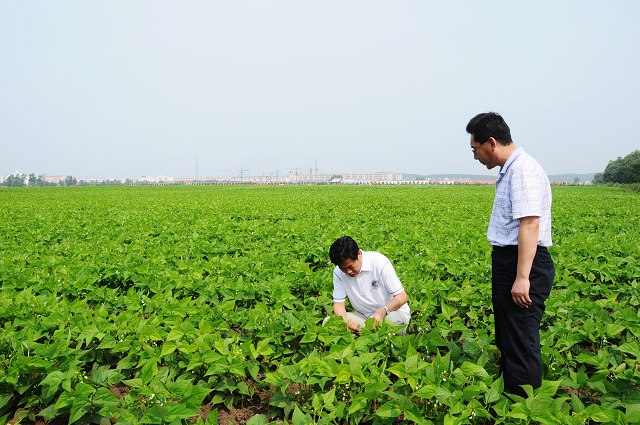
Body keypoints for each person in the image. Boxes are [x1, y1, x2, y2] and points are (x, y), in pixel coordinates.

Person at [466, 112, 555, 397]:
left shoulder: (523, 170)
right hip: (511, 261)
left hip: (523, 263)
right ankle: (509, 399)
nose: (475, 157)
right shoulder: (512, 170)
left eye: (475, 149)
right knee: (509, 336)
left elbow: (530, 224)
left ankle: (523, 407)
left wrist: (521, 277)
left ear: (490, 143)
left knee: (520, 340)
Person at [326, 236, 410, 334]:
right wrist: (346, 322)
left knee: (393, 321)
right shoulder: (338, 272)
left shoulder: (379, 262)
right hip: (363, 317)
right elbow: (338, 305)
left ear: (359, 254)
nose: (348, 271)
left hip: (391, 313)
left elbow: (402, 297)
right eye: (343, 268)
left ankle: (366, 341)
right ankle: (362, 339)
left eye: (350, 266)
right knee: (328, 322)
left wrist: (382, 311)